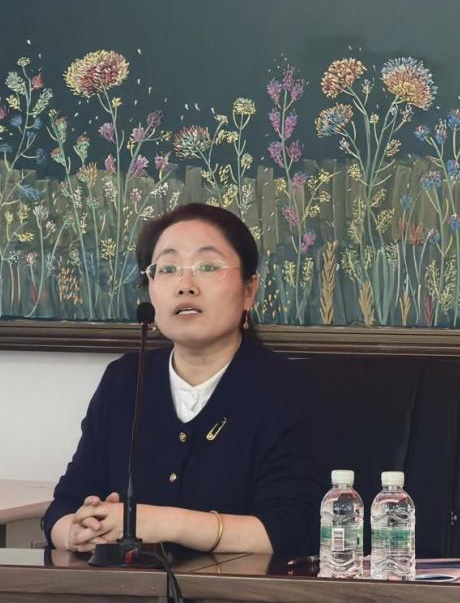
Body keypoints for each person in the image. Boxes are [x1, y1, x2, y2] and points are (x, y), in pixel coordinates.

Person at [42, 203, 322, 557]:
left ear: (249, 290)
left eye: (208, 267)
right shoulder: (125, 380)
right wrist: (76, 532)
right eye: (168, 268)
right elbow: (64, 505)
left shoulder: (289, 388)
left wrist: (159, 523)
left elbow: (295, 530)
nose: (185, 286)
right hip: (128, 587)